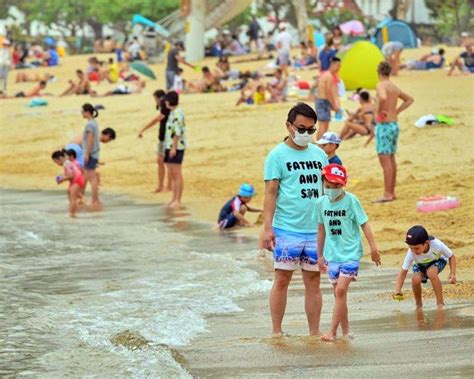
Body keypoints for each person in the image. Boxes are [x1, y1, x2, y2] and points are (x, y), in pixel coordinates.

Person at [262, 102, 329, 337]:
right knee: (282, 279)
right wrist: (266, 228)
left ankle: (314, 332)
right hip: (286, 228)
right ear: (289, 126)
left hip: (315, 230)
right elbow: (271, 193)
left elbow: (327, 191)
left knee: (313, 281)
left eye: (311, 130)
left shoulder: (320, 155)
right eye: (301, 129)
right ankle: (277, 331)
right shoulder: (277, 156)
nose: (306, 134)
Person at [316, 163, 381, 341]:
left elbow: (364, 224)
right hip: (332, 255)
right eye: (328, 186)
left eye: (336, 186)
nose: (331, 189)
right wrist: (320, 255)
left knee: (341, 291)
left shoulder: (351, 200)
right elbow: (321, 230)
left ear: (343, 184)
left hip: (351, 253)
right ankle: (346, 331)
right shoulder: (320, 203)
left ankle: (332, 332)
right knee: (338, 295)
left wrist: (373, 248)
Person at [374, 61, 414, 202]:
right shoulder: (394, 87)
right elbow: (409, 100)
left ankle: (387, 193)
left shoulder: (381, 85)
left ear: (378, 73)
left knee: (385, 161)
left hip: (384, 126)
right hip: (393, 124)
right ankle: (391, 191)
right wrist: (396, 111)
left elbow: (383, 97)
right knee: (391, 159)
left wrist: (379, 112)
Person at [394, 225, 457, 309]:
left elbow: (451, 256)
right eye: (410, 248)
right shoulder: (411, 252)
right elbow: (403, 272)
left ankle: (440, 304)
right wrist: (398, 290)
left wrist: (452, 274)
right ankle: (418, 305)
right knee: (415, 279)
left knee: (431, 273)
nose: (413, 251)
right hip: (420, 264)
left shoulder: (437, 245)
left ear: (426, 243)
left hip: (438, 260)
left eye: (416, 248)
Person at [138, 89, 172, 193]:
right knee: (161, 161)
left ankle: (166, 186)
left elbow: (157, 119)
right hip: (164, 136)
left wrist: (143, 129)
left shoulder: (164, 104)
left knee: (165, 162)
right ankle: (162, 185)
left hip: (167, 136)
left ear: (158, 98)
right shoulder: (165, 104)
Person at [164, 91, 186, 209]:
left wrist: (173, 147)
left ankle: (178, 200)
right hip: (170, 145)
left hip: (176, 146)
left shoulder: (178, 113)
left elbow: (178, 132)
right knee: (172, 173)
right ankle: (173, 198)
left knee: (177, 173)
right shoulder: (172, 113)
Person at [51, 149, 85, 217]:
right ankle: (74, 210)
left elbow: (71, 175)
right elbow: (69, 174)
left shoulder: (66, 164)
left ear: (60, 159)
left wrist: (62, 179)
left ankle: (72, 214)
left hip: (77, 180)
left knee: (72, 199)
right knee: (69, 193)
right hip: (76, 180)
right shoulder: (67, 162)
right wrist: (62, 178)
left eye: (56, 162)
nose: (57, 164)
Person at [316, 57, 341, 140]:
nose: (339, 68)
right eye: (338, 66)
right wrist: (334, 106)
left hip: (320, 101)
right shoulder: (329, 76)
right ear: (333, 64)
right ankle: (320, 145)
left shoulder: (325, 75)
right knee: (324, 125)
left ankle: (320, 144)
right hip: (323, 101)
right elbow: (329, 93)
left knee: (323, 125)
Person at [81, 103, 101, 207]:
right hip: (95, 153)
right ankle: (90, 198)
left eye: (82, 111)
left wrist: (87, 154)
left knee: (92, 178)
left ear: (87, 112)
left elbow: (90, 139)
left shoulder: (90, 125)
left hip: (91, 153)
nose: (81, 114)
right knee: (89, 177)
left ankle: (95, 200)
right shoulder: (94, 122)